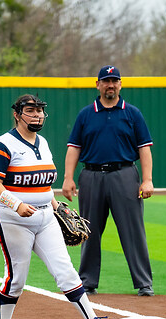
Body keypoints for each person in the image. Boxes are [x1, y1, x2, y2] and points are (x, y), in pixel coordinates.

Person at [0, 94, 120, 319]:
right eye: (30, 110)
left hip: (46, 216)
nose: (37, 115)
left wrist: (57, 207)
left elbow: (44, 183)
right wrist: (16, 205)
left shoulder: (43, 143)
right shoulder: (3, 144)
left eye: (39, 111)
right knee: (17, 276)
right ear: (17, 114)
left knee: (65, 270)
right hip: (12, 218)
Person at [62, 65, 154, 297]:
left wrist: (147, 180)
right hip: (91, 175)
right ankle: (87, 281)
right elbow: (74, 147)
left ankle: (144, 283)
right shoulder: (86, 114)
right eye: (106, 81)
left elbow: (144, 148)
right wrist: (68, 178)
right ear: (98, 85)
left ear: (120, 84)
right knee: (88, 230)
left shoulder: (132, 113)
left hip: (124, 174)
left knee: (133, 231)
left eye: (114, 81)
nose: (110, 85)